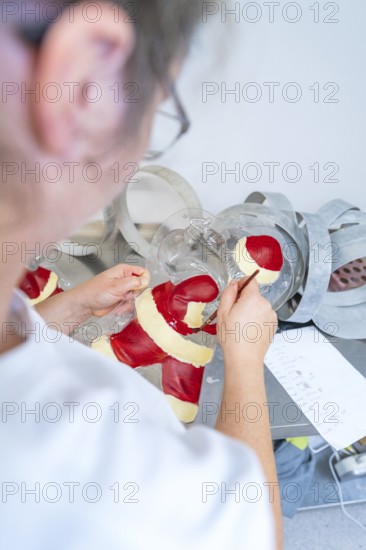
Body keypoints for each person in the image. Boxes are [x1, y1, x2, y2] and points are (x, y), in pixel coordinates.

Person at [0, 1, 282, 548]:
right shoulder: (108, 473)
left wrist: (59, 313)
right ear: (85, 84)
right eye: (162, 106)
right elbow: (254, 528)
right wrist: (245, 361)